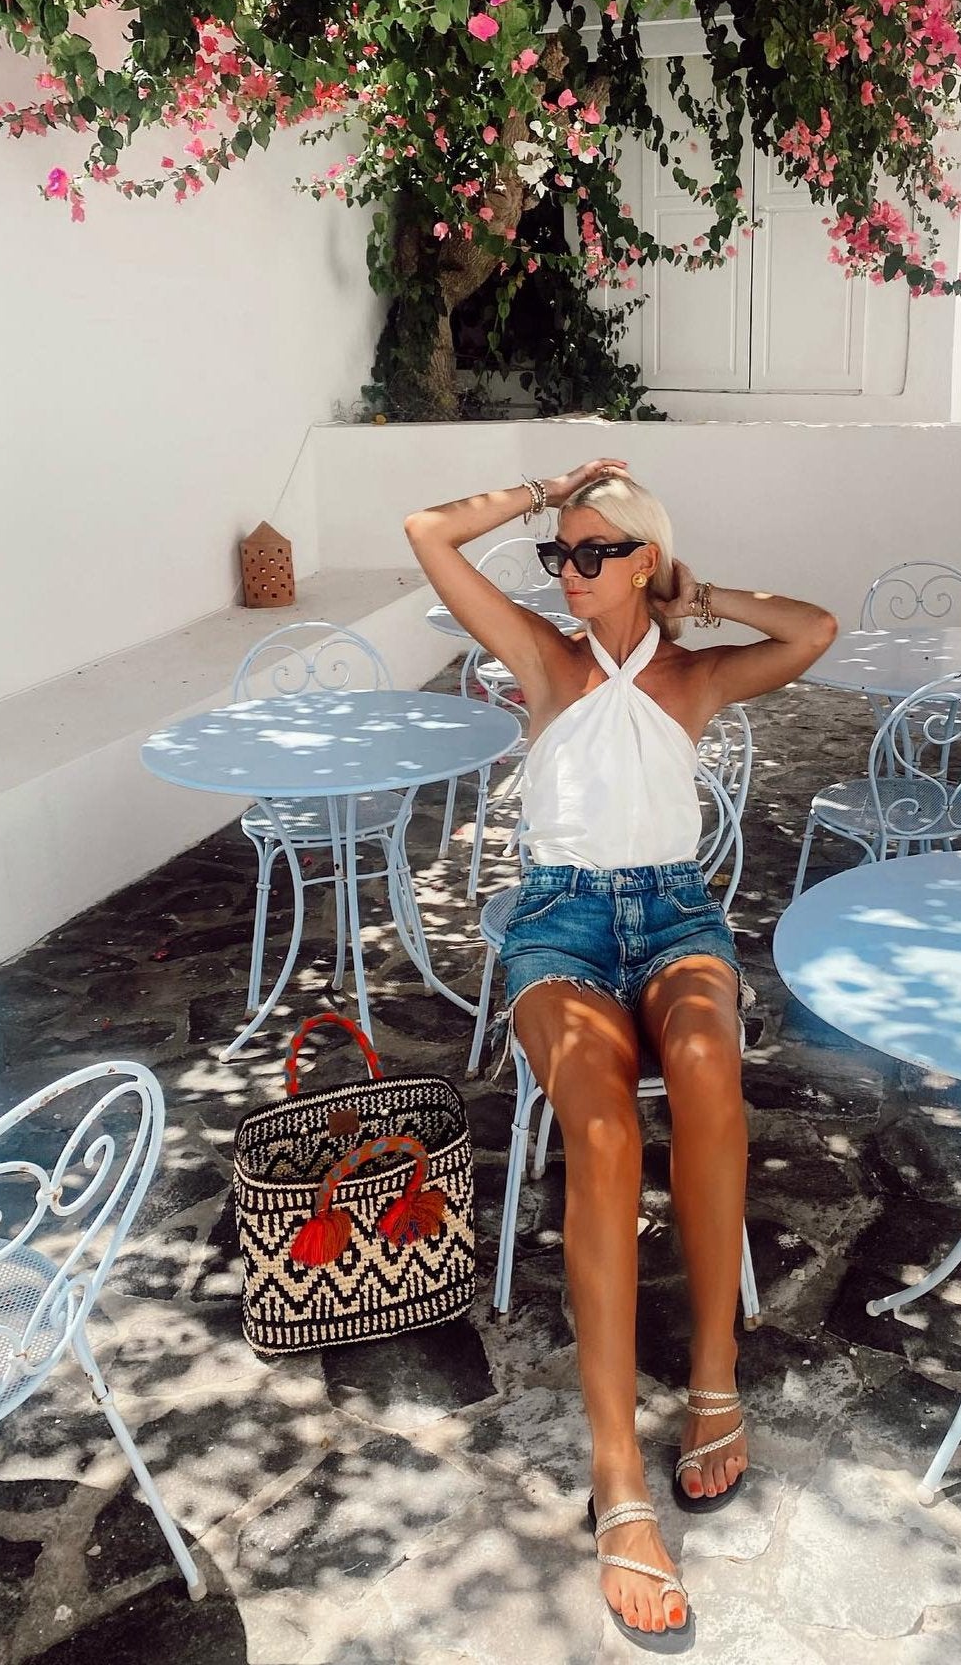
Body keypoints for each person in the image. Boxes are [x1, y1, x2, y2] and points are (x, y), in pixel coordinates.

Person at [405, 460, 837, 1650]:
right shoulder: (546, 659)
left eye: (595, 552)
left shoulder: (693, 672)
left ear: (643, 559)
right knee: (601, 1131)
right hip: (558, 921)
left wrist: (703, 595)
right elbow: (428, 534)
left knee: (708, 1067)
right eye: (563, 555)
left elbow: (815, 629)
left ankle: (712, 1384)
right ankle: (618, 1478)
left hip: (677, 917)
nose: (572, 572)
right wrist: (543, 493)